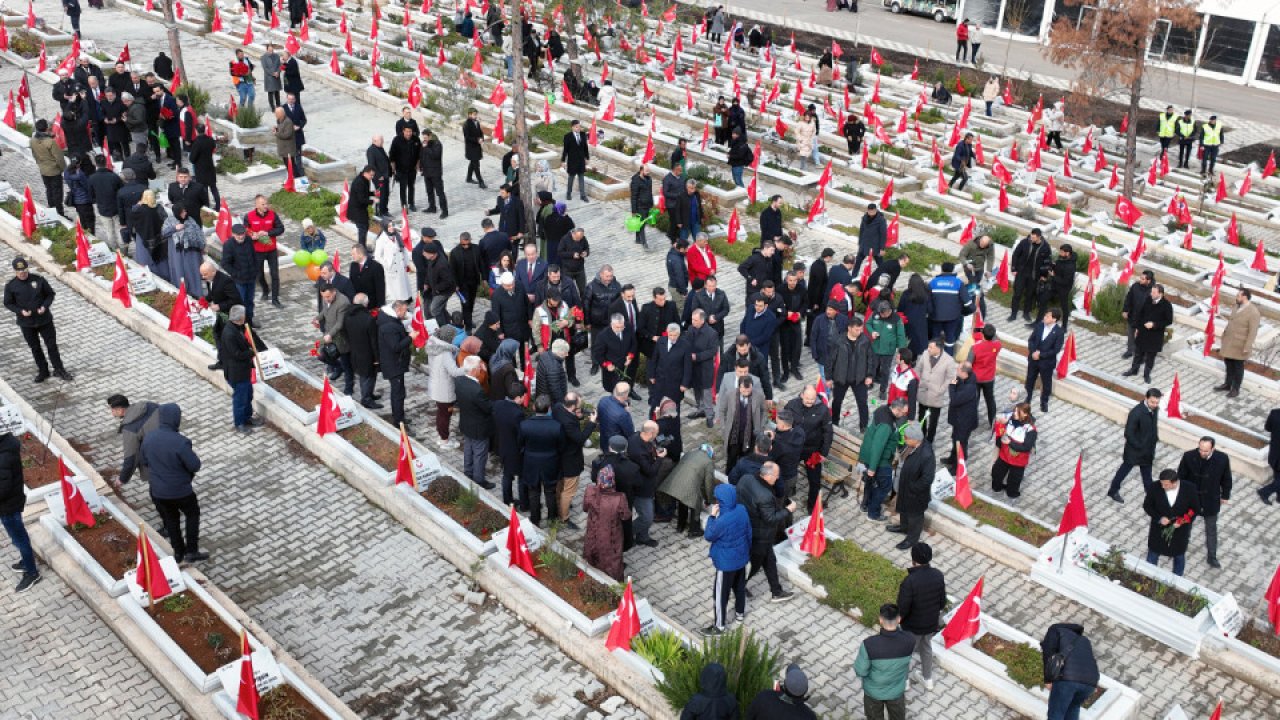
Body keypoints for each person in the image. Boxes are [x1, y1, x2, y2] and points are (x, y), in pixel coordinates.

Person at [139, 405, 207, 562]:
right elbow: (195, 465)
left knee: (171, 520)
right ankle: (192, 551)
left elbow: (144, 461)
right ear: (176, 419)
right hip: (181, 491)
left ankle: (178, 552)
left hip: (158, 492)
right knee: (192, 515)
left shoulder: (149, 437)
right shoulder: (180, 442)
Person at [5, 257, 72, 383]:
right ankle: (43, 370)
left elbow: (50, 294)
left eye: (24, 270)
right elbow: (8, 303)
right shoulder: (11, 286)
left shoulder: (38, 280)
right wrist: (20, 311)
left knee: (51, 346)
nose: (22, 273)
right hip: (26, 323)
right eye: (19, 271)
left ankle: (59, 369)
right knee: (35, 347)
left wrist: (44, 306)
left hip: (44, 320)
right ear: (15, 271)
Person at [698, 481, 753, 636]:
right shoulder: (742, 510)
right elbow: (749, 532)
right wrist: (746, 553)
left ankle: (719, 626)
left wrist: (712, 517)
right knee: (739, 588)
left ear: (721, 501)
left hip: (725, 564)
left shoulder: (721, 520)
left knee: (721, 595)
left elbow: (709, 535)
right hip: (741, 559)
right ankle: (740, 614)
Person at [893, 543, 947, 693]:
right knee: (926, 648)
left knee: (905, 653)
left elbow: (903, 607)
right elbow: (942, 602)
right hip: (931, 624)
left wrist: (899, 619)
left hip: (912, 627)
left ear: (913, 560)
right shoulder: (938, 575)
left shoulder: (909, 581)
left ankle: (904, 683)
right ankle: (928, 679)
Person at [739, 462, 795, 602]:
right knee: (754, 565)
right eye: (776, 475)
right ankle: (738, 586)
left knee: (770, 561)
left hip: (748, 527)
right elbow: (770, 518)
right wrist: (788, 510)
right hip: (760, 535)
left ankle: (776, 591)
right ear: (767, 475)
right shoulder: (765, 495)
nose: (777, 478)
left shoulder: (746, 478)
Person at [1177, 437, 1232, 568]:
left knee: (1211, 529)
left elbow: (1226, 478)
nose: (1202, 453)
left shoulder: (1222, 459)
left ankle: (1212, 557)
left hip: (1210, 500)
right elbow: (1181, 476)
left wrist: (1225, 495)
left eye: (1205, 451)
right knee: (1185, 524)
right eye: (1200, 449)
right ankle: (1179, 549)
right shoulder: (1189, 456)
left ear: (1212, 448)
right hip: (1192, 499)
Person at [854, 603, 915, 720]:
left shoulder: (869, 644)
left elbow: (860, 671)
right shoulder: (910, 640)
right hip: (896, 692)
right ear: (899, 619)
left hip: (873, 693)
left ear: (880, 620)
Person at [1, 426, 41, 592]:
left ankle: (32, 573)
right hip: (10, 502)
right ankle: (26, 562)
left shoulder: (3, 457)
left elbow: (3, 487)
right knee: (18, 536)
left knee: (19, 539)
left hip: (8, 505)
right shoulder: (7, 445)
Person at [1107, 388, 1161, 503]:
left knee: (1147, 476)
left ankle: (1151, 498)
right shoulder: (1136, 412)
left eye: (1157, 402)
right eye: (1152, 402)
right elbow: (1128, 433)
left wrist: (1154, 438)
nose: (1155, 405)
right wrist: (1140, 446)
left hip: (1148, 451)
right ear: (1146, 398)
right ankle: (1113, 490)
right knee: (1123, 471)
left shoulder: (1155, 409)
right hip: (1135, 451)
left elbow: (1153, 425)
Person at [519, 395, 565, 527]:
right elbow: (561, 446)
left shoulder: (524, 425)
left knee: (533, 493)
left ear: (534, 407)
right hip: (550, 463)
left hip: (531, 463)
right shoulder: (556, 426)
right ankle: (551, 519)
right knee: (550, 492)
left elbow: (520, 444)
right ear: (549, 408)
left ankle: (535, 519)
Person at [861, 399, 911, 520]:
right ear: (897, 410)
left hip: (869, 456)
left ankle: (866, 505)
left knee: (871, 483)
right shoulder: (886, 426)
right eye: (904, 412)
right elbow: (878, 446)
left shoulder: (883, 409)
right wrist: (872, 468)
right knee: (885, 486)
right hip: (880, 461)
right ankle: (873, 513)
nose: (905, 415)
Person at [1144, 468, 1200, 576]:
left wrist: (1182, 521)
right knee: (1153, 553)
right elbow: (1147, 506)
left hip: (1180, 531)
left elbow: (1194, 509)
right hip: (1158, 530)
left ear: (1174, 483)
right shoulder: (1154, 487)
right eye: (1161, 484)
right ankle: (1148, 575)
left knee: (1179, 555)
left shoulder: (1189, 488)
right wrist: (1159, 518)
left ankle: (1177, 579)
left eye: (1165, 484)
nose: (1162, 487)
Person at [552, 392, 595, 528]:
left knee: (559, 485)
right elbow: (580, 439)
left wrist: (578, 417)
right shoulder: (569, 422)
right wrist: (591, 423)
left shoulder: (558, 407)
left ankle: (558, 505)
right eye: (579, 405)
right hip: (570, 459)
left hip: (558, 455)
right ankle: (564, 517)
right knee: (569, 491)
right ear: (572, 406)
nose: (580, 407)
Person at [1041, 623, 1100, 720]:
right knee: (1073, 708)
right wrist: (1092, 684)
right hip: (1090, 683)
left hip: (1067, 681)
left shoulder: (1055, 630)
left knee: (1056, 715)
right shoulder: (1085, 640)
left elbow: (1049, 653)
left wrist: (1048, 680)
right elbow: (1090, 661)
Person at [889, 423, 934, 549]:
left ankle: (912, 539)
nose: (905, 440)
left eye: (907, 438)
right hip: (906, 487)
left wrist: (913, 488)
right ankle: (904, 527)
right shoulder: (912, 447)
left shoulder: (926, 454)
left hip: (916, 493)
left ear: (915, 439)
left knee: (915, 516)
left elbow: (927, 478)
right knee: (904, 510)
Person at [582, 463, 630, 581]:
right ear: (612, 480)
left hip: (593, 531)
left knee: (592, 553)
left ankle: (591, 577)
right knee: (612, 559)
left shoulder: (590, 490)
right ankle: (612, 582)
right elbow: (625, 516)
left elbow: (585, 508)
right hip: (612, 535)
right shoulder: (619, 497)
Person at [456, 355, 496, 490]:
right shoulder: (477, 390)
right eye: (479, 367)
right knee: (479, 454)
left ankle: (468, 471)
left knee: (468, 448)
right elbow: (488, 408)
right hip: (479, 427)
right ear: (473, 370)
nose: (481, 369)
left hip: (466, 423)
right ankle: (479, 479)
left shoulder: (460, 380)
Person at [627, 420, 669, 547]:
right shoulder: (638, 452)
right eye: (656, 433)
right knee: (647, 517)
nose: (657, 436)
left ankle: (642, 537)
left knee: (647, 512)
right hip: (641, 488)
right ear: (650, 433)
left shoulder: (636, 436)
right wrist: (660, 458)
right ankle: (626, 535)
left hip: (647, 486)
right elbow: (650, 471)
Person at [377, 300, 416, 429]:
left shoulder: (389, 319)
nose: (406, 313)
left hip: (395, 363)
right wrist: (410, 337)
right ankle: (398, 421)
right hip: (394, 365)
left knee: (399, 392)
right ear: (397, 310)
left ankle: (400, 416)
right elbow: (396, 346)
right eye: (404, 311)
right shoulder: (389, 326)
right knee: (398, 393)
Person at [1122, 283, 1173, 384]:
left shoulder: (1166, 305)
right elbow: (1141, 314)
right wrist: (1138, 328)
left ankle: (1146, 374)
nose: (1151, 294)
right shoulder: (1148, 300)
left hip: (1155, 335)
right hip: (1143, 332)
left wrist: (1154, 324)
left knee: (1150, 357)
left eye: (1154, 292)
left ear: (1161, 294)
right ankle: (1134, 370)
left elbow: (1168, 321)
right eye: (1151, 292)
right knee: (1138, 353)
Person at [829, 317, 874, 429]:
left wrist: (869, 375)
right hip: (841, 378)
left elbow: (870, 359)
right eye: (857, 329)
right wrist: (828, 377)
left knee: (863, 403)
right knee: (837, 401)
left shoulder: (865, 341)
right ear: (849, 328)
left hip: (859, 378)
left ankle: (863, 427)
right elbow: (830, 360)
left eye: (860, 329)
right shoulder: (839, 341)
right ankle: (834, 422)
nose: (859, 332)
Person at [990, 402, 1038, 500]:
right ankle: (998, 488)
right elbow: (1002, 431)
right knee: (996, 475)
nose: (1014, 413)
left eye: (1017, 412)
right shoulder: (1010, 420)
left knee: (1013, 483)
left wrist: (1010, 443)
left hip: (1018, 462)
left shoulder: (1031, 430)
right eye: (1015, 410)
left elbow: (1026, 447)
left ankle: (1011, 494)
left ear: (1025, 414)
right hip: (1004, 456)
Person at [1216, 289, 1259, 397]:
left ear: (1244, 297)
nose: (1236, 297)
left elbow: (1253, 331)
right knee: (1228, 363)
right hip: (1229, 341)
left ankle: (1236, 389)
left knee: (1238, 367)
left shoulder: (1253, 312)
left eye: (1238, 296)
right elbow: (1232, 321)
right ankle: (1227, 384)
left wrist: (1247, 346)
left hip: (1240, 344)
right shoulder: (1236, 306)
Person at [244, 195, 285, 308]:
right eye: (263, 204)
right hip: (257, 251)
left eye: (266, 203)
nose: (266, 206)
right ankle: (265, 290)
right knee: (259, 274)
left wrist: (268, 233)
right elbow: (245, 231)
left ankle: (275, 299)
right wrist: (252, 236)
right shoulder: (249, 216)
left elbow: (281, 228)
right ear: (256, 205)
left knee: (275, 274)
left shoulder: (273, 215)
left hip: (271, 250)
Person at [915, 337, 957, 443]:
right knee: (921, 417)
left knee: (933, 421)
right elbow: (918, 368)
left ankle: (929, 441)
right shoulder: (925, 354)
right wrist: (919, 382)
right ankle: (921, 437)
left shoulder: (949, 361)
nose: (928, 349)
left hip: (936, 396)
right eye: (928, 347)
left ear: (938, 348)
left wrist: (940, 390)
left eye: (931, 347)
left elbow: (950, 378)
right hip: (923, 392)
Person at [345, 294, 382, 409]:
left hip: (355, 350)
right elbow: (373, 341)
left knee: (364, 375)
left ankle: (369, 394)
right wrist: (377, 358)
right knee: (368, 376)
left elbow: (344, 332)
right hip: (367, 353)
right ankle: (366, 399)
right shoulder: (368, 319)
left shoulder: (347, 315)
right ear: (365, 304)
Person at [745, 663, 817, 719]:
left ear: (785, 685)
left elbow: (749, 716)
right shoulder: (808, 716)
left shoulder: (764, 697)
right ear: (805, 692)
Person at [1010, 229, 1051, 323]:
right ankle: (1013, 313)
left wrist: (1044, 275)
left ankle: (1026, 313)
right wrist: (1013, 268)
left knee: (1030, 295)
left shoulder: (1045, 247)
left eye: (1033, 237)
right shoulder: (1024, 242)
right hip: (1021, 273)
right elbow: (1016, 254)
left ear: (1039, 237)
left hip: (1034, 275)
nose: (1031, 238)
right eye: (1031, 236)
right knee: (1017, 293)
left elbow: (1047, 262)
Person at [928, 263, 969, 355]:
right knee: (950, 338)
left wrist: (930, 312)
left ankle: (933, 356)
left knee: (935, 337)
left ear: (942, 270)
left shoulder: (933, 282)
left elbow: (927, 299)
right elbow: (967, 302)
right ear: (953, 270)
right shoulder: (958, 282)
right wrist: (963, 312)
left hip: (936, 317)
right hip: (952, 317)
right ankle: (948, 358)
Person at [943, 362, 979, 466]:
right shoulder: (963, 378)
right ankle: (952, 458)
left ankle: (958, 465)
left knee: (961, 443)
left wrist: (952, 386)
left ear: (964, 372)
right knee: (955, 439)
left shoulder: (970, 387)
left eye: (958, 369)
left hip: (964, 421)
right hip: (958, 418)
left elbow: (954, 399)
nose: (956, 370)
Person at [31, 120, 67, 216]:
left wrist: (40, 164)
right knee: (57, 193)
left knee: (49, 190)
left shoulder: (33, 140)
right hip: (54, 171)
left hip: (43, 170)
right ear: (46, 129)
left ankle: (51, 210)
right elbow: (59, 158)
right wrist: (64, 169)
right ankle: (60, 213)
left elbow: (34, 154)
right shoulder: (50, 142)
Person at [389, 125, 422, 211]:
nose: (409, 133)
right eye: (407, 131)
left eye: (410, 132)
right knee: (403, 188)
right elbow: (392, 155)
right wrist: (393, 169)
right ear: (403, 131)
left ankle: (411, 203)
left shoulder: (416, 139)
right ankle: (404, 205)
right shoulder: (397, 140)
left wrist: (418, 165)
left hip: (412, 169)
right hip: (401, 169)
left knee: (411, 186)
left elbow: (420, 153)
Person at [349, 242, 386, 310]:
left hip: (371, 304)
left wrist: (380, 306)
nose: (352, 256)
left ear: (360, 254)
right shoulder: (353, 265)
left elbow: (380, 289)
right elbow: (351, 283)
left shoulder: (376, 267)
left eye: (353, 254)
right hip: (357, 303)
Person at [1258, 409, 1280, 505]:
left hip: (1274, 453)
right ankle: (1264, 492)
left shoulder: (1274, 413)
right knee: (1278, 480)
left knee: (1278, 477)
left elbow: (1267, 428)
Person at [366, 136, 392, 218]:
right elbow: (371, 165)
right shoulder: (371, 150)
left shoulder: (380, 147)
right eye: (381, 141)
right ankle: (380, 213)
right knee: (381, 195)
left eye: (382, 140)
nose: (383, 142)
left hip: (385, 176)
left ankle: (385, 210)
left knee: (386, 194)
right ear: (374, 141)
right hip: (379, 178)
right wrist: (379, 175)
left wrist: (391, 171)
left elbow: (385, 160)